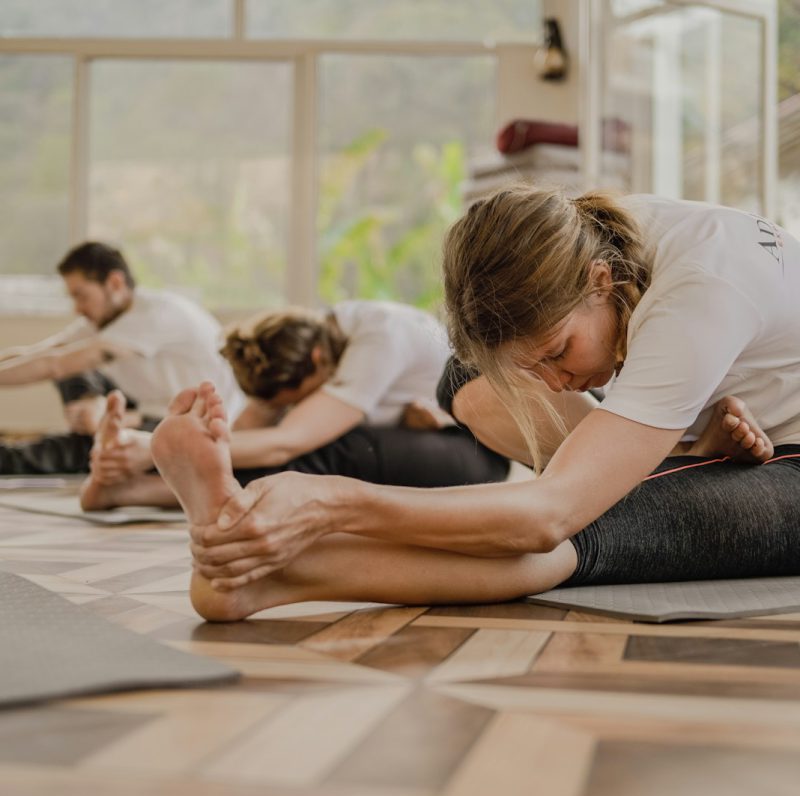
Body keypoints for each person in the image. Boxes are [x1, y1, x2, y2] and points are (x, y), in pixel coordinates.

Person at [146, 185, 800, 622]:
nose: (551, 379)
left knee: (577, 525)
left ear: (602, 283)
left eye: (556, 350)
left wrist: (332, 502)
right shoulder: (594, 239)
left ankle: (282, 572)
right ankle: (669, 463)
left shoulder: (699, 290)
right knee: (464, 376)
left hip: (792, 470)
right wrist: (692, 443)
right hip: (719, 440)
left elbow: (547, 515)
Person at [79, 300, 509, 511]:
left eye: (295, 400)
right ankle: (133, 487)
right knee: (318, 447)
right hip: (410, 443)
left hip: (475, 456)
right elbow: (250, 434)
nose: (294, 407)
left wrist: (149, 445)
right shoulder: (309, 341)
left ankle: (137, 491)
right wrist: (155, 455)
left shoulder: (379, 338)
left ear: (318, 364)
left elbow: (286, 442)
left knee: (333, 448)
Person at [0, 241, 244, 474]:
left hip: (190, 422)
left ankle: (18, 457)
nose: (77, 308)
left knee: (92, 442)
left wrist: (113, 420)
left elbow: (54, 366)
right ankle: (95, 417)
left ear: (115, 283)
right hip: (144, 406)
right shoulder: (106, 318)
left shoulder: (156, 314)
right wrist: (92, 403)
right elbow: (40, 353)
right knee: (73, 365)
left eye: (81, 296)